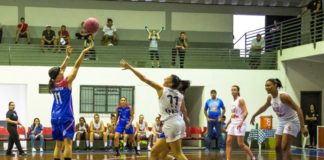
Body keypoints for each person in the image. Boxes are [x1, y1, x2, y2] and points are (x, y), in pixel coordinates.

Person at [120, 59, 190, 160]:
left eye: (167, 78)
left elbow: (144, 79)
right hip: (178, 122)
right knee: (159, 154)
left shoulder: (162, 89)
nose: (165, 78)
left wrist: (131, 68)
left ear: (170, 84)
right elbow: (184, 110)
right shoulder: (180, 94)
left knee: (177, 153)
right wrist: (187, 119)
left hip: (171, 124)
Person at [48, 43, 93, 160]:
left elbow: (61, 68)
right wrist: (83, 53)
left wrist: (67, 56)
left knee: (58, 145)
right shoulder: (66, 81)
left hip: (54, 117)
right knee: (68, 143)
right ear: (58, 75)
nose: (62, 71)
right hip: (66, 116)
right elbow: (76, 67)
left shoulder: (52, 84)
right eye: (60, 72)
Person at [250, 78, 308, 160]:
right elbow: (264, 107)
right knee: (277, 147)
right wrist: (254, 115)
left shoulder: (283, 96)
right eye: (265, 86)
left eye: (268, 85)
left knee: (284, 147)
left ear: (275, 85)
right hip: (282, 122)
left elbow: (298, 109)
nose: (266, 87)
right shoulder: (270, 98)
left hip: (292, 121)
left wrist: (302, 126)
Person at [224, 85, 255, 160]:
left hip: (240, 123)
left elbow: (246, 112)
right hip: (233, 123)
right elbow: (233, 115)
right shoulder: (232, 102)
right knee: (228, 142)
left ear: (238, 91)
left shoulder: (240, 100)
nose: (233, 91)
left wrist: (241, 122)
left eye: (235, 90)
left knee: (240, 144)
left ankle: (252, 157)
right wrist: (227, 124)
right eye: (232, 90)